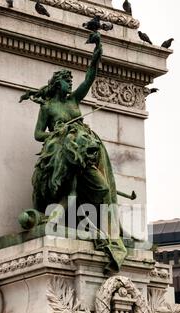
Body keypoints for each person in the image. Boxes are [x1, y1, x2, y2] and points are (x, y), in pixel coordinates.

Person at [20, 33, 127, 273]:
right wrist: (56, 133)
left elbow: (89, 80)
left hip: (84, 150)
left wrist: (96, 58)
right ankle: (71, 215)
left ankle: (99, 225)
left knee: (102, 188)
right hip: (61, 149)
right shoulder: (48, 107)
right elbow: (38, 134)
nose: (70, 84)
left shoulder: (74, 101)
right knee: (70, 188)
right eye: (67, 81)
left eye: (71, 81)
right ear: (58, 83)